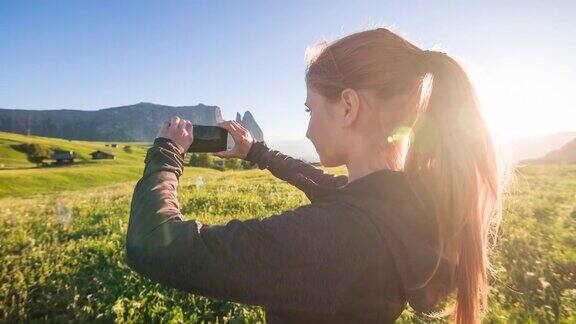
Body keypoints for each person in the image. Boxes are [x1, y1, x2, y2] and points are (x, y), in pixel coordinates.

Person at [125, 27, 503, 324]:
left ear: (348, 107)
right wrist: (256, 152)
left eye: (310, 109)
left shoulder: (329, 238)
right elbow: (328, 186)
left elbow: (154, 245)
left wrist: (167, 152)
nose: (307, 129)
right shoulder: (407, 204)